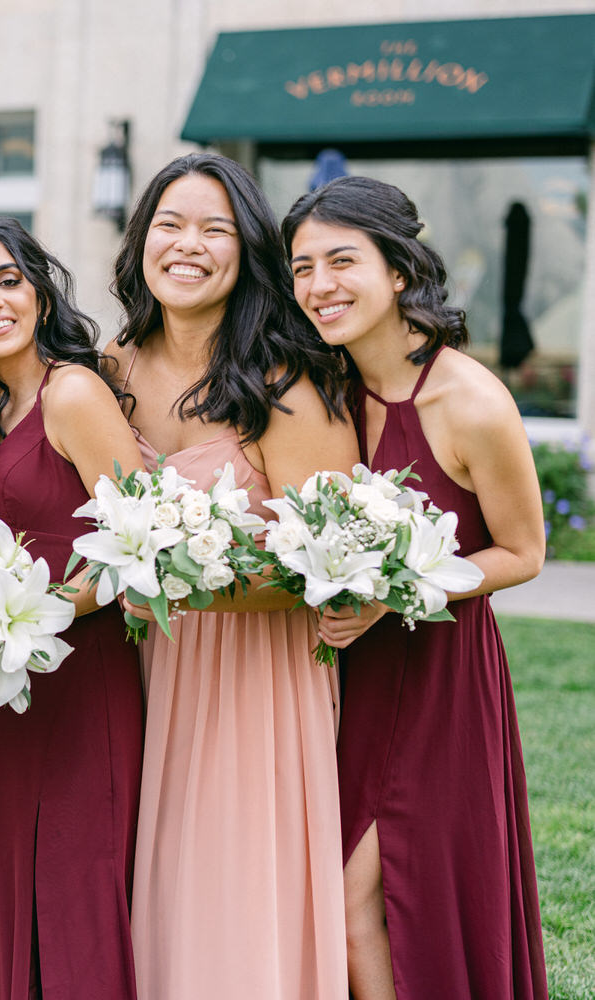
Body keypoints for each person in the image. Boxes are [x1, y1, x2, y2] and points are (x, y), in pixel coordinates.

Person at [284, 176, 548, 1000]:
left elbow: (523, 551)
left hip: (438, 680)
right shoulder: (315, 393)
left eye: (340, 261)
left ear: (398, 271)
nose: (318, 286)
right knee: (341, 897)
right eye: (300, 269)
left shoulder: (469, 400)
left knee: (375, 890)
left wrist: (395, 591)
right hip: (342, 684)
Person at [107, 152, 356, 1000]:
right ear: (141, 239)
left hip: (258, 677)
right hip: (143, 669)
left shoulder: (287, 380)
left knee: (234, 895)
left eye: (215, 229)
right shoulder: (110, 370)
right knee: (154, 897)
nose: (188, 245)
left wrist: (191, 575)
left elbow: (335, 561)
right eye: (169, 224)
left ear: (247, 250)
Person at [0, 217, 145, 999]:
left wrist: (36, 618)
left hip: (80, 678)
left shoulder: (72, 391)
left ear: (39, 289)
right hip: (6, 687)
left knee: (74, 891)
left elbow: (140, 545)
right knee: (6, 892)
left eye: (7, 280)